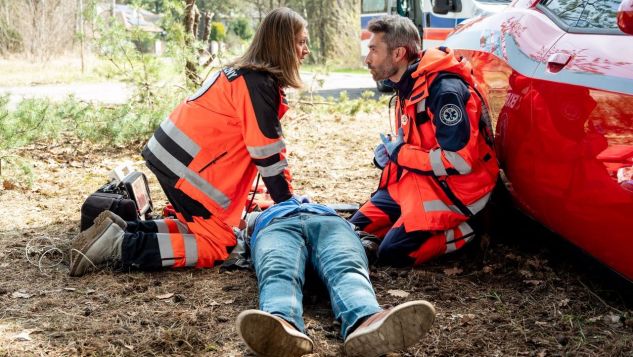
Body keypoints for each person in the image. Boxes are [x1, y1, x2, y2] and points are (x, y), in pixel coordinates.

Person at [69, 7, 311, 276]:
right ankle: (118, 245)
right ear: (283, 45)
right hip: (184, 167)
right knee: (217, 243)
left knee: (199, 229)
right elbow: (267, 152)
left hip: (172, 158)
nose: (305, 50)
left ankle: (122, 230)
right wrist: (287, 203)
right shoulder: (258, 85)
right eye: (301, 42)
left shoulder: (246, 76)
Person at [350, 15, 498, 267]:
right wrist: (386, 157)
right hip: (416, 181)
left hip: (456, 191)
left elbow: (460, 161)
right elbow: (417, 144)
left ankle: (467, 230)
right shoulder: (407, 85)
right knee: (350, 229)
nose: (367, 59)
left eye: (374, 50)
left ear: (398, 53)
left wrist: (401, 154)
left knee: (392, 254)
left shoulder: (443, 90)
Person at [235, 197, 436, 357]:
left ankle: (366, 320)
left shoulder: (323, 208)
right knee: (278, 269)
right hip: (275, 226)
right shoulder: (257, 214)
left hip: (330, 223)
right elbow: (239, 235)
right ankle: (280, 323)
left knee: (346, 266)